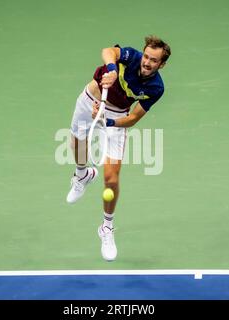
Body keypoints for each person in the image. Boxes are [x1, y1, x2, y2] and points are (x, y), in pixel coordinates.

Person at [67, 35, 171, 261]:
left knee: (111, 180)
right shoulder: (131, 57)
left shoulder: (156, 87)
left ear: (161, 64)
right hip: (90, 99)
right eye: (146, 56)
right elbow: (108, 51)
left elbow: (134, 118)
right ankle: (82, 175)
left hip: (116, 116)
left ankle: (106, 227)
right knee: (77, 140)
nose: (147, 62)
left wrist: (107, 122)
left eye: (154, 60)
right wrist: (112, 69)